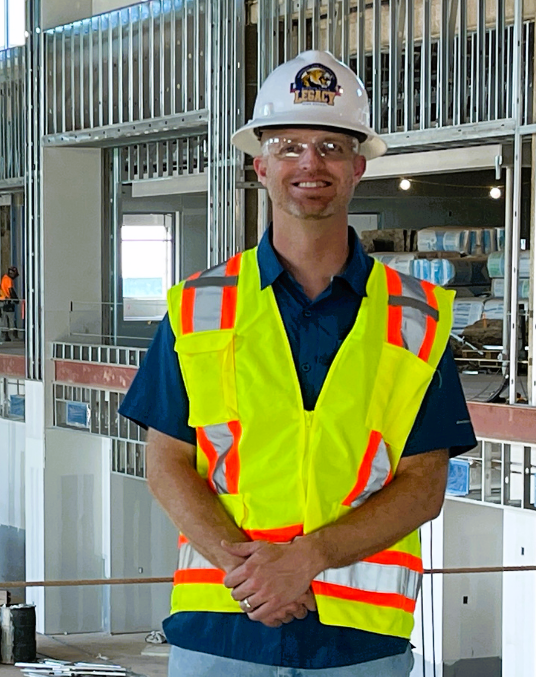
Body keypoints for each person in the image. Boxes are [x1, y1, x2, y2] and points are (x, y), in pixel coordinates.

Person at [119, 50, 477, 676]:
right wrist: (257, 577)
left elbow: (424, 484)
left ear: (359, 166)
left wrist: (306, 559)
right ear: (260, 165)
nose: (311, 163)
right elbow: (166, 463)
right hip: (223, 630)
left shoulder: (416, 316)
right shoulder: (200, 306)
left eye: (331, 147)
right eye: (289, 146)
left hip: (358, 642)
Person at [0, 265, 19, 341]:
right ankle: (12, 335)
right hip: (7, 301)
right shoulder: (9, 280)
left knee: (3, 319)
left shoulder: (4, 278)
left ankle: (5, 335)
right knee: (11, 318)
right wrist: (16, 299)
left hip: (1, 301)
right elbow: (11, 291)